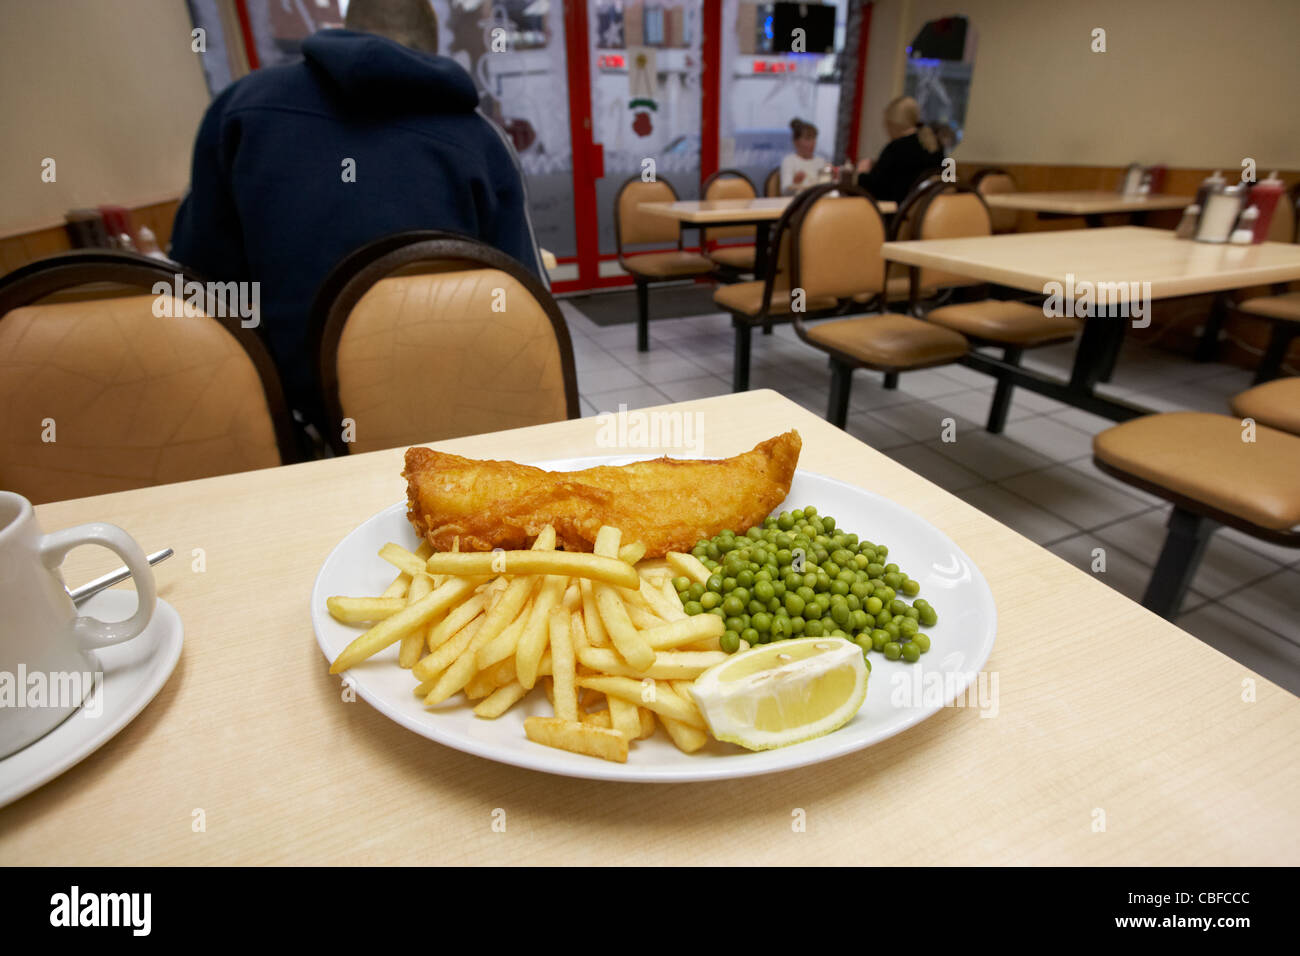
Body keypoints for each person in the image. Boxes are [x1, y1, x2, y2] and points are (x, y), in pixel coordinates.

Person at [169, 0, 542, 428]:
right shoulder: (481, 138)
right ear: (429, 49)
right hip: (458, 399)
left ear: (348, 27)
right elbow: (527, 302)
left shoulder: (239, 112)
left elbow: (203, 288)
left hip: (297, 415)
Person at [855, 96, 945, 203]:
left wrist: (862, 173)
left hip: (898, 215)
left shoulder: (895, 149)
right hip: (924, 214)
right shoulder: (934, 145)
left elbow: (875, 190)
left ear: (892, 124)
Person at [779, 119, 828, 195]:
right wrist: (795, 182)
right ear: (796, 142)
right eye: (808, 139)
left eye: (814, 138)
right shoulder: (789, 161)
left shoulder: (821, 161)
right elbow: (784, 192)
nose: (812, 143)